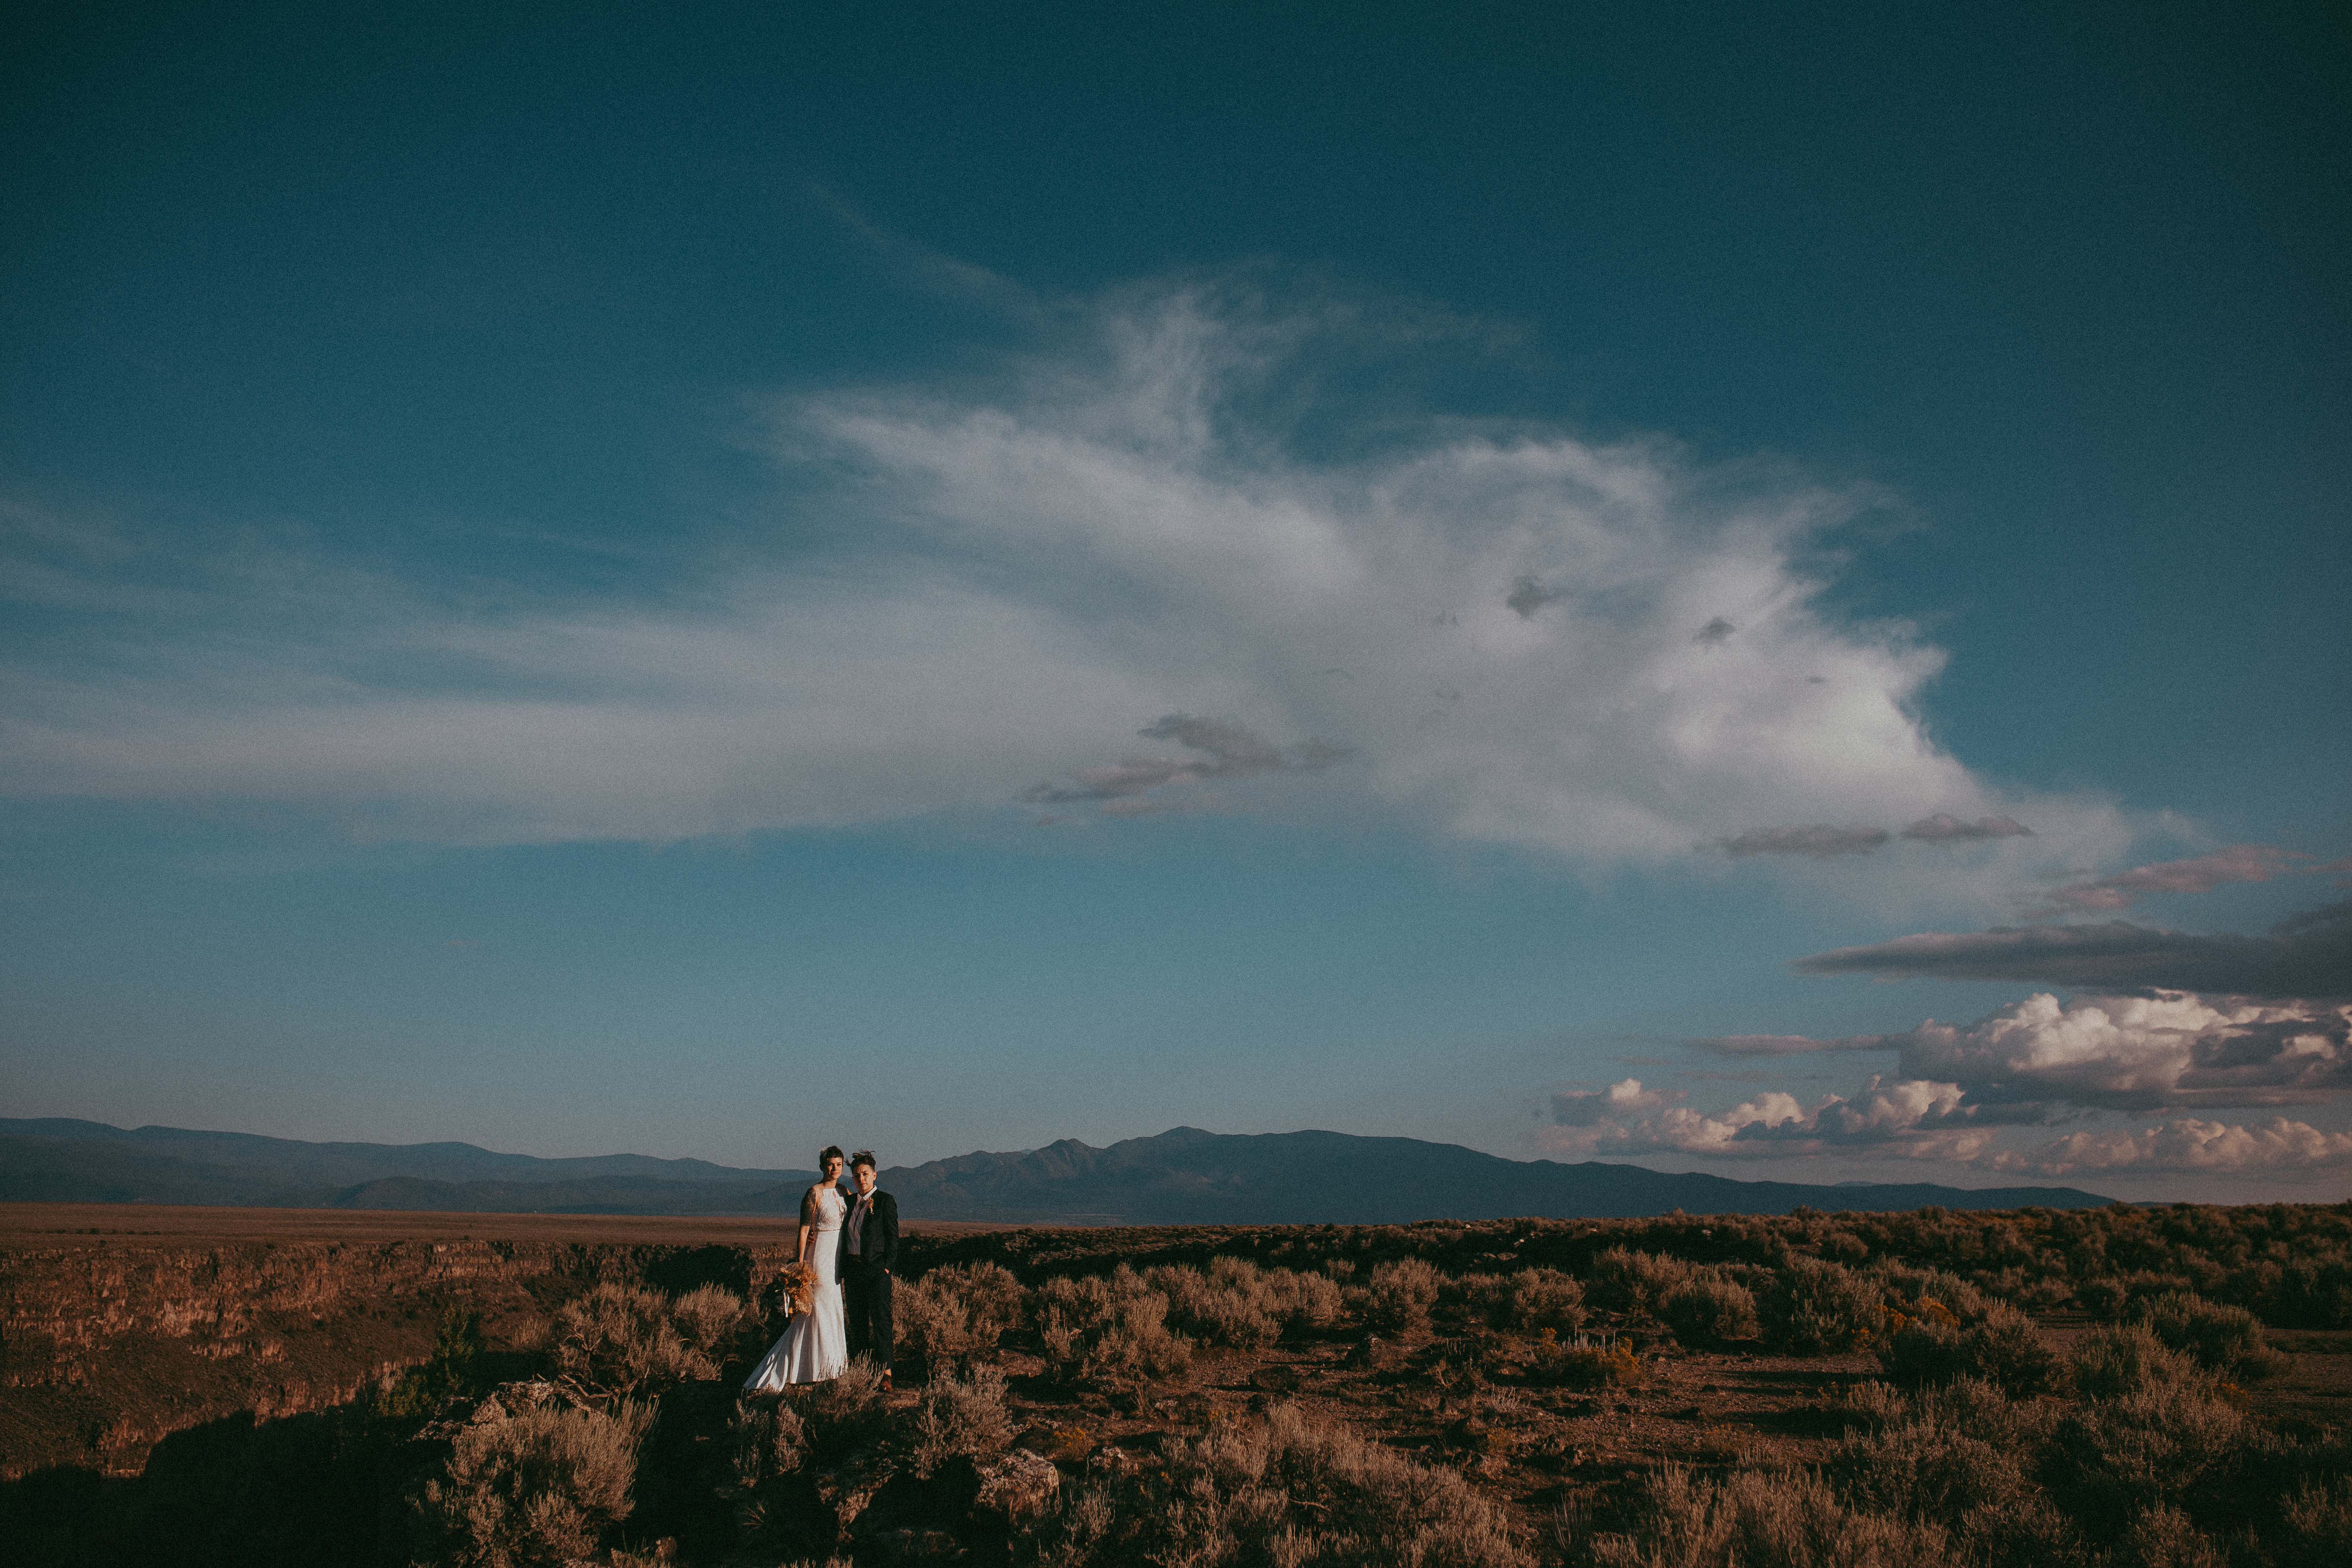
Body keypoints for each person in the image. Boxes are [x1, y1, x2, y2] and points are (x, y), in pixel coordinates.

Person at [742, 1145, 850, 1390]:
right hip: (820, 1255)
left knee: (833, 1307)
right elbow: (803, 1229)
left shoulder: (844, 1192)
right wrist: (800, 1264)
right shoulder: (814, 1193)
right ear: (822, 1166)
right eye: (831, 1165)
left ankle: (832, 1366)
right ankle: (807, 1368)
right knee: (817, 1309)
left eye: (839, 1165)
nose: (835, 1169)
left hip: (838, 1254)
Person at [839, 1149, 900, 1390]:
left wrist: (887, 1268)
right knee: (858, 1321)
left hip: (876, 1271)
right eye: (856, 1175)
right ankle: (863, 1370)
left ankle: (886, 1373)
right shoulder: (850, 1202)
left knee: (882, 1321)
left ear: (875, 1175)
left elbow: (893, 1238)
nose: (861, 1179)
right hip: (853, 1271)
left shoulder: (886, 1201)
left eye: (865, 1174)